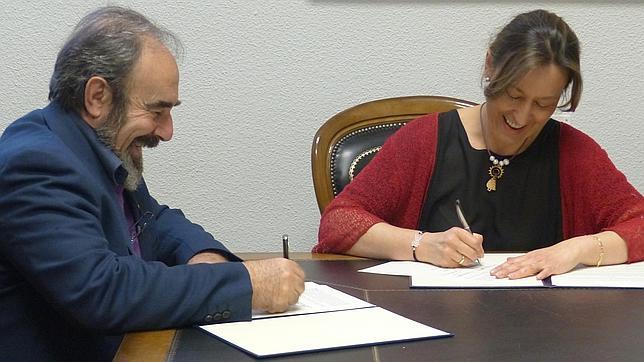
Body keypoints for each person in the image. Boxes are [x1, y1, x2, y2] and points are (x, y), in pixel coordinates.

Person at [0, 6, 304, 361]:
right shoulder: (35, 164)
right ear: (97, 96)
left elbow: (153, 222)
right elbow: (103, 291)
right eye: (157, 111)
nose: (167, 131)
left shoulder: (96, 145)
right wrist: (249, 283)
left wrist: (204, 256)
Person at [314, 9, 643, 280]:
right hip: (429, 328)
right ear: (490, 65)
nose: (523, 115)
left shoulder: (573, 153)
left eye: (544, 104)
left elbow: (639, 224)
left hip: (540, 331)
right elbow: (338, 222)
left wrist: (575, 250)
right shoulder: (425, 140)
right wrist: (420, 244)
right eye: (514, 95)